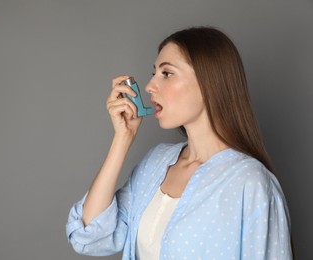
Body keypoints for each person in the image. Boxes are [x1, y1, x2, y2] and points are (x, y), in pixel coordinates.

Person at [66, 27, 292, 259]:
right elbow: (89, 237)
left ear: (209, 83)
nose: (150, 86)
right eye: (154, 73)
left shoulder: (250, 183)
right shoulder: (155, 163)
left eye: (166, 73)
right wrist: (122, 139)